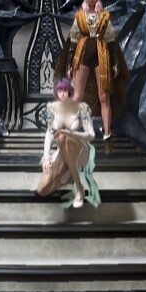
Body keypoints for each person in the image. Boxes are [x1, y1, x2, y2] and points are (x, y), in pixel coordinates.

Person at [67, 0, 126, 140]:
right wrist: (69, 63)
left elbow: (111, 41)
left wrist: (115, 62)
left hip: (101, 56)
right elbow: (73, 41)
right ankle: (71, 129)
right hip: (83, 55)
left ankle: (107, 133)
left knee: (104, 96)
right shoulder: (80, 17)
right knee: (77, 95)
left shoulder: (104, 17)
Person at [35, 78, 100, 209]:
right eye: (59, 90)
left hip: (80, 149)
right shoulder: (51, 108)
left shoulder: (82, 108)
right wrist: (46, 156)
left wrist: (71, 134)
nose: (62, 93)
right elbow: (49, 132)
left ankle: (79, 189)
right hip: (62, 151)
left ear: (70, 91)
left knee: (62, 137)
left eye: (65, 90)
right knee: (42, 190)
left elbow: (91, 135)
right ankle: (67, 176)